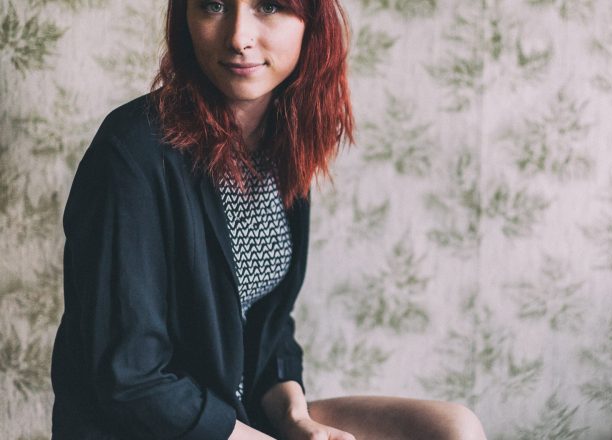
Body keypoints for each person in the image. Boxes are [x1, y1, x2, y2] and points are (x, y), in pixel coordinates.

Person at [50, 1, 488, 439]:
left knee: (455, 428)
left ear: (311, 21)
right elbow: (131, 380)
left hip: (240, 415)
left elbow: (268, 326)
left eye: (270, 5)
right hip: (152, 428)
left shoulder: (282, 138)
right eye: (214, 5)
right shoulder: (131, 150)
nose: (239, 37)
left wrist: (297, 421)